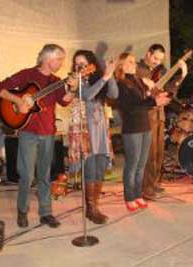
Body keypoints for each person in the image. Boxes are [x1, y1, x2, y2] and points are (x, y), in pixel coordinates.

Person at [0, 44, 77, 228]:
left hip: (48, 132)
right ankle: (22, 211)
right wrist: (18, 101)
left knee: (45, 175)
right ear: (47, 59)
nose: (61, 63)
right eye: (59, 59)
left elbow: (64, 102)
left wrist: (71, 89)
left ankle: (46, 213)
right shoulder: (27, 75)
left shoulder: (56, 81)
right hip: (28, 133)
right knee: (26, 175)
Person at [115, 52, 171, 211]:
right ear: (121, 66)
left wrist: (157, 98)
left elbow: (144, 102)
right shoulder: (121, 84)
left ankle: (138, 194)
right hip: (132, 128)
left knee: (141, 165)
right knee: (132, 165)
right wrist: (154, 101)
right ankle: (129, 197)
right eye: (130, 62)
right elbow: (130, 107)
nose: (134, 64)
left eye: (134, 61)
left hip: (145, 126)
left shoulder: (138, 81)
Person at [69, 50, 118, 224]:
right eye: (77, 63)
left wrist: (109, 74)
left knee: (100, 168)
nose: (80, 66)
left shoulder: (97, 79)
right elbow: (88, 96)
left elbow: (114, 94)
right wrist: (105, 77)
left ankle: (94, 206)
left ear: (91, 64)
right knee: (89, 169)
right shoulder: (75, 83)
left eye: (83, 63)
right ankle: (90, 209)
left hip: (100, 129)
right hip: (85, 130)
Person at [137, 44, 188, 200]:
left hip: (159, 115)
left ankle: (154, 183)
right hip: (145, 115)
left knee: (159, 152)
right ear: (148, 54)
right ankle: (145, 188)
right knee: (149, 153)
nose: (157, 62)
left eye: (160, 60)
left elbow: (169, 91)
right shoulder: (138, 69)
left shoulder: (160, 71)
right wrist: (144, 81)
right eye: (155, 58)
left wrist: (182, 74)